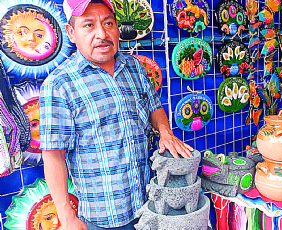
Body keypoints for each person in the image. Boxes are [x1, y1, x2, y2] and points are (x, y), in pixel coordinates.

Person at [39, 0, 193, 229]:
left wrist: (165, 131)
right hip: (105, 217)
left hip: (149, 203)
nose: (102, 33)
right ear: (71, 32)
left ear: (118, 28)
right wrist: (66, 216)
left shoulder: (134, 67)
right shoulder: (59, 84)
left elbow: (154, 107)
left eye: (108, 23)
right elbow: (53, 155)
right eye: (88, 25)